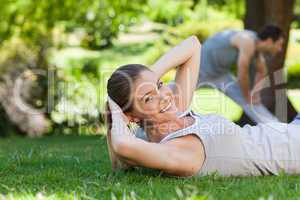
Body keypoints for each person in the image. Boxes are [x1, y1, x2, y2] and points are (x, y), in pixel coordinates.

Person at [106, 36, 300, 177]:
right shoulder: (183, 150)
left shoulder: (174, 111)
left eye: (159, 84)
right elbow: (122, 147)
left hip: (289, 129)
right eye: (148, 99)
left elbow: (192, 45)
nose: (164, 96)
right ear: (130, 117)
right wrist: (114, 107)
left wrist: (146, 77)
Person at [197, 25, 285, 124]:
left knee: (251, 102)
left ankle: (277, 128)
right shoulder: (248, 41)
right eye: (279, 44)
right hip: (199, 69)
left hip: (220, 74)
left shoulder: (256, 46)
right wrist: (247, 95)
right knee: (178, 96)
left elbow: (262, 70)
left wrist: (255, 94)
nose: (280, 49)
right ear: (269, 41)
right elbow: (242, 73)